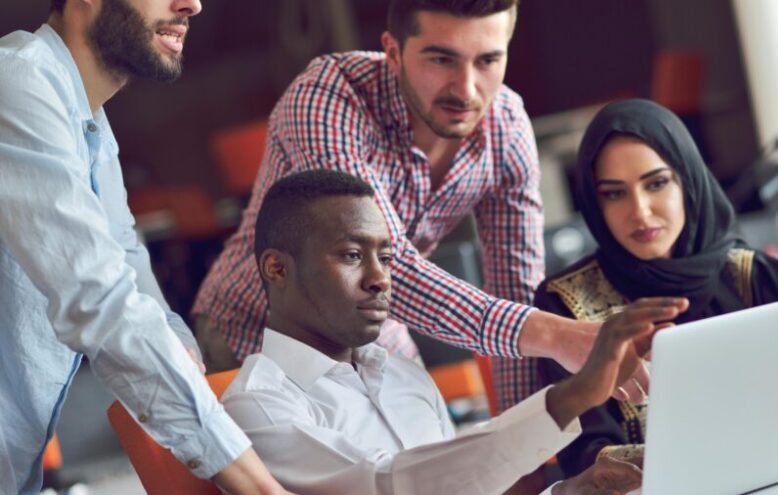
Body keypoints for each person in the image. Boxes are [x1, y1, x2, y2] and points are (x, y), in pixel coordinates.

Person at [193, 0, 648, 417]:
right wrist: (555, 335)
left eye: (488, 60)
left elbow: (515, 292)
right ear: (392, 51)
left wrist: (525, 457)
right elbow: (382, 269)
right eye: (441, 58)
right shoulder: (329, 96)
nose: (466, 89)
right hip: (255, 330)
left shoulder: (505, 128)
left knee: (430, 458)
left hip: (372, 326)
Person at [221, 169, 688, 494]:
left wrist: (572, 491)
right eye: (350, 255)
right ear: (278, 269)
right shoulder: (255, 406)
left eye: (385, 257)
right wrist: (576, 395)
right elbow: (388, 486)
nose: (381, 277)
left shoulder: (404, 375)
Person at [0, 1, 294, 493]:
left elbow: (126, 266)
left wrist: (178, 349)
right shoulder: (17, 82)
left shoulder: (91, 127)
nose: (192, 5)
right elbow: (101, 304)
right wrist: (263, 488)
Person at [535, 98, 778, 477]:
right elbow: (585, 456)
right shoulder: (566, 304)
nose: (639, 210)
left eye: (656, 183)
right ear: (594, 201)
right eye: (614, 193)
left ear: (688, 180)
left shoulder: (753, 274)